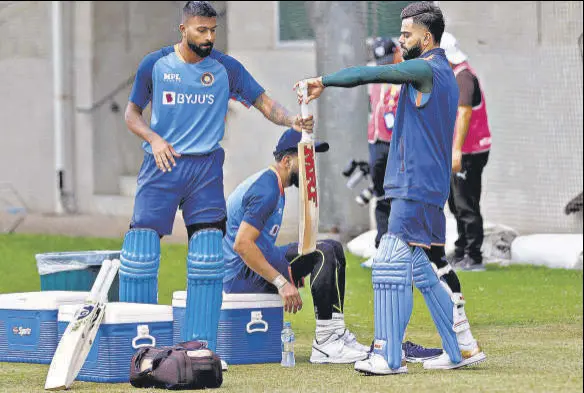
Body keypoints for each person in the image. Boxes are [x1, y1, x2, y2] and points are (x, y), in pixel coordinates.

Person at [295, 2, 485, 375]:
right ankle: (461, 347)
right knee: (423, 267)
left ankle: (387, 355)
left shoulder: (425, 67)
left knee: (388, 265)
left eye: (406, 34)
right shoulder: (444, 71)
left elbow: (371, 73)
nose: (401, 40)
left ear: (426, 37)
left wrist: (324, 80)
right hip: (427, 185)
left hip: (414, 185)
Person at [119, 0, 313, 356]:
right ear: (183, 29)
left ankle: (199, 350)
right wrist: (153, 137)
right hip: (161, 165)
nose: (208, 38)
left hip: (205, 169)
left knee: (207, 258)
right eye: (201, 30)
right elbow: (132, 114)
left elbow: (265, 103)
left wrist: (292, 122)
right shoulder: (155, 64)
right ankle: (138, 350)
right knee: (140, 256)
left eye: (213, 31)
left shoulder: (226, 68)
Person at [222, 128, 369, 364]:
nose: (310, 167)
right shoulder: (267, 190)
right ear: (287, 160)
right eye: (306, 159)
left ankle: (336, 332)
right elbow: (242, 245)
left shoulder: (273, 185)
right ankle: (325, 342)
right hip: (242, 277)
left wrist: (287, 266)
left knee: (333, 246)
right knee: (323, 252)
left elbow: (260, 244)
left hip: (253, 266)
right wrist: (282, 282)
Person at [441, 32, 492, 272]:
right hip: (462, 150)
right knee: (456, 202)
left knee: (466, 203)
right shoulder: (455, 75)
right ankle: (462, 249)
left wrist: (456, 151)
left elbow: (464, 113)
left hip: (469, 151)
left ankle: (474, 255)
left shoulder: (463, 77)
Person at [361, 37, 402, 269]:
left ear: (398, 52)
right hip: (376, 141)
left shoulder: (406, 74)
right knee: (381, 195)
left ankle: (399, 249)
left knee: (398, 195)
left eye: (388, 59)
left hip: (396, 143)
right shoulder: (374, 76)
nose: (385, 65)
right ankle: (382, 248)